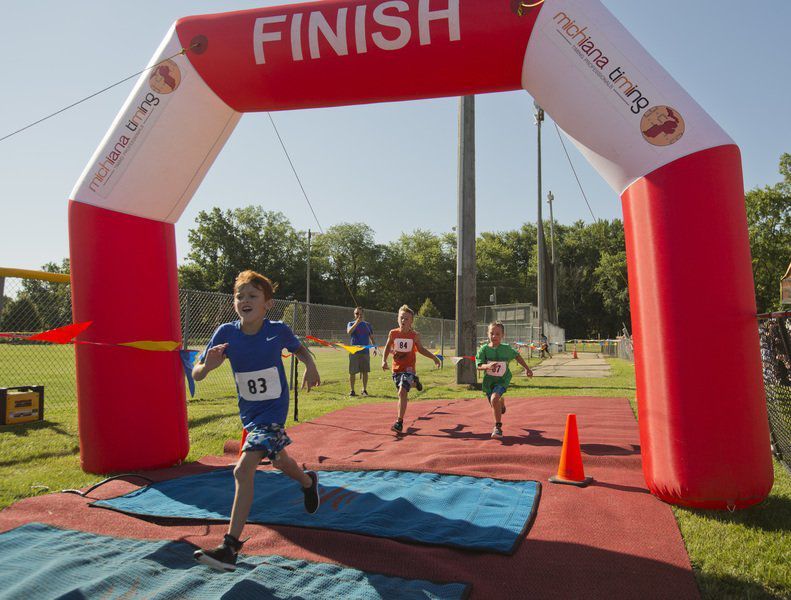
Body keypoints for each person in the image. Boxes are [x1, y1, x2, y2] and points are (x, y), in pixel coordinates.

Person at [192, 270, 321, 572]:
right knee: (280, 461)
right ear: (233, 302)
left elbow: (300, 350)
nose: (245, 301)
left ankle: (230, 547)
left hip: (273, 411)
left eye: (252, 296)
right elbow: (197, 371)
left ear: (267, 304)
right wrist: (207, 366)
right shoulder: (226, 332)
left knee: (243, 468)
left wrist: (310, 367)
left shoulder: (277, 330)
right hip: (250, 414)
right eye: (240, 296)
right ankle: (307, 481)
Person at [381, 304, 441, 433]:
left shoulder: (414, 335)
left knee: (402, 392)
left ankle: (399, 422)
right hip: (396, 370)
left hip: (408, 369)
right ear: (398, 318)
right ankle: (415, 383)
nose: (403, 321)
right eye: (401, 318)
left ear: (411, 321)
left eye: (406, 319)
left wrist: (434, 358)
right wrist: (384, 360)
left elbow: (421, 349)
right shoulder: (393, 333)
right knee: (403, 388)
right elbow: (387, 347)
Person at [476, 321, 533, 438]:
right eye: (492, 333)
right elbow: (478, 365)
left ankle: (497, 428)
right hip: (489, 382)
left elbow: (517, 356)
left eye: (497, 334)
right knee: (494, 403)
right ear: (488, 334)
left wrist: (527, 368)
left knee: (494, 399)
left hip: (502, 380)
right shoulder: (483, 349)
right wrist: (487, 366)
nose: (494, 336)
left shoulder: (506, 349)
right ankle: (501, 402)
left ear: (503, 335)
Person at [346, 307, 376, 397]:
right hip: (354, 351)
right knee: (352, 372)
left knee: (365, 371)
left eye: (360, 313)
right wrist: (357, 322)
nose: (358, 315)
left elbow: (371, 338)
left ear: (363, 314)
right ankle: (352, 390)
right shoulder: (351, 323)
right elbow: (349, 332)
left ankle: (364, 390)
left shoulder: (368, 325)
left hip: (365, 351)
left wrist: (374, 348)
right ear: (354, 314)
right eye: (356, 313)